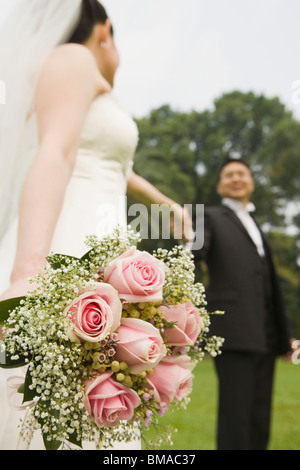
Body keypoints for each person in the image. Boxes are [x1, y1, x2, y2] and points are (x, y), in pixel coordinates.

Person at [0, 0, 192, 450]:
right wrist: (29, 273)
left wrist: (165, 203)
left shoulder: (78, 77)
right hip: (65, 245)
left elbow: (113, 164)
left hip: (102, 246)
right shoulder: (73, 58)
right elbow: (58, 152)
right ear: (105, 30)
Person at [193, 158, 295, 450]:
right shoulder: (209, 216)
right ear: (219, 185)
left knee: (259, 417)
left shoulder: (256, 225)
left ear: (251, 181)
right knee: (235, 417)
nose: (236, 178)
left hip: (266, 335)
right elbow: (193, 252)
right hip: (233, 331)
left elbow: (269, 284)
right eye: (229, 175)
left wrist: (283, 331)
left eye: (242, 173)